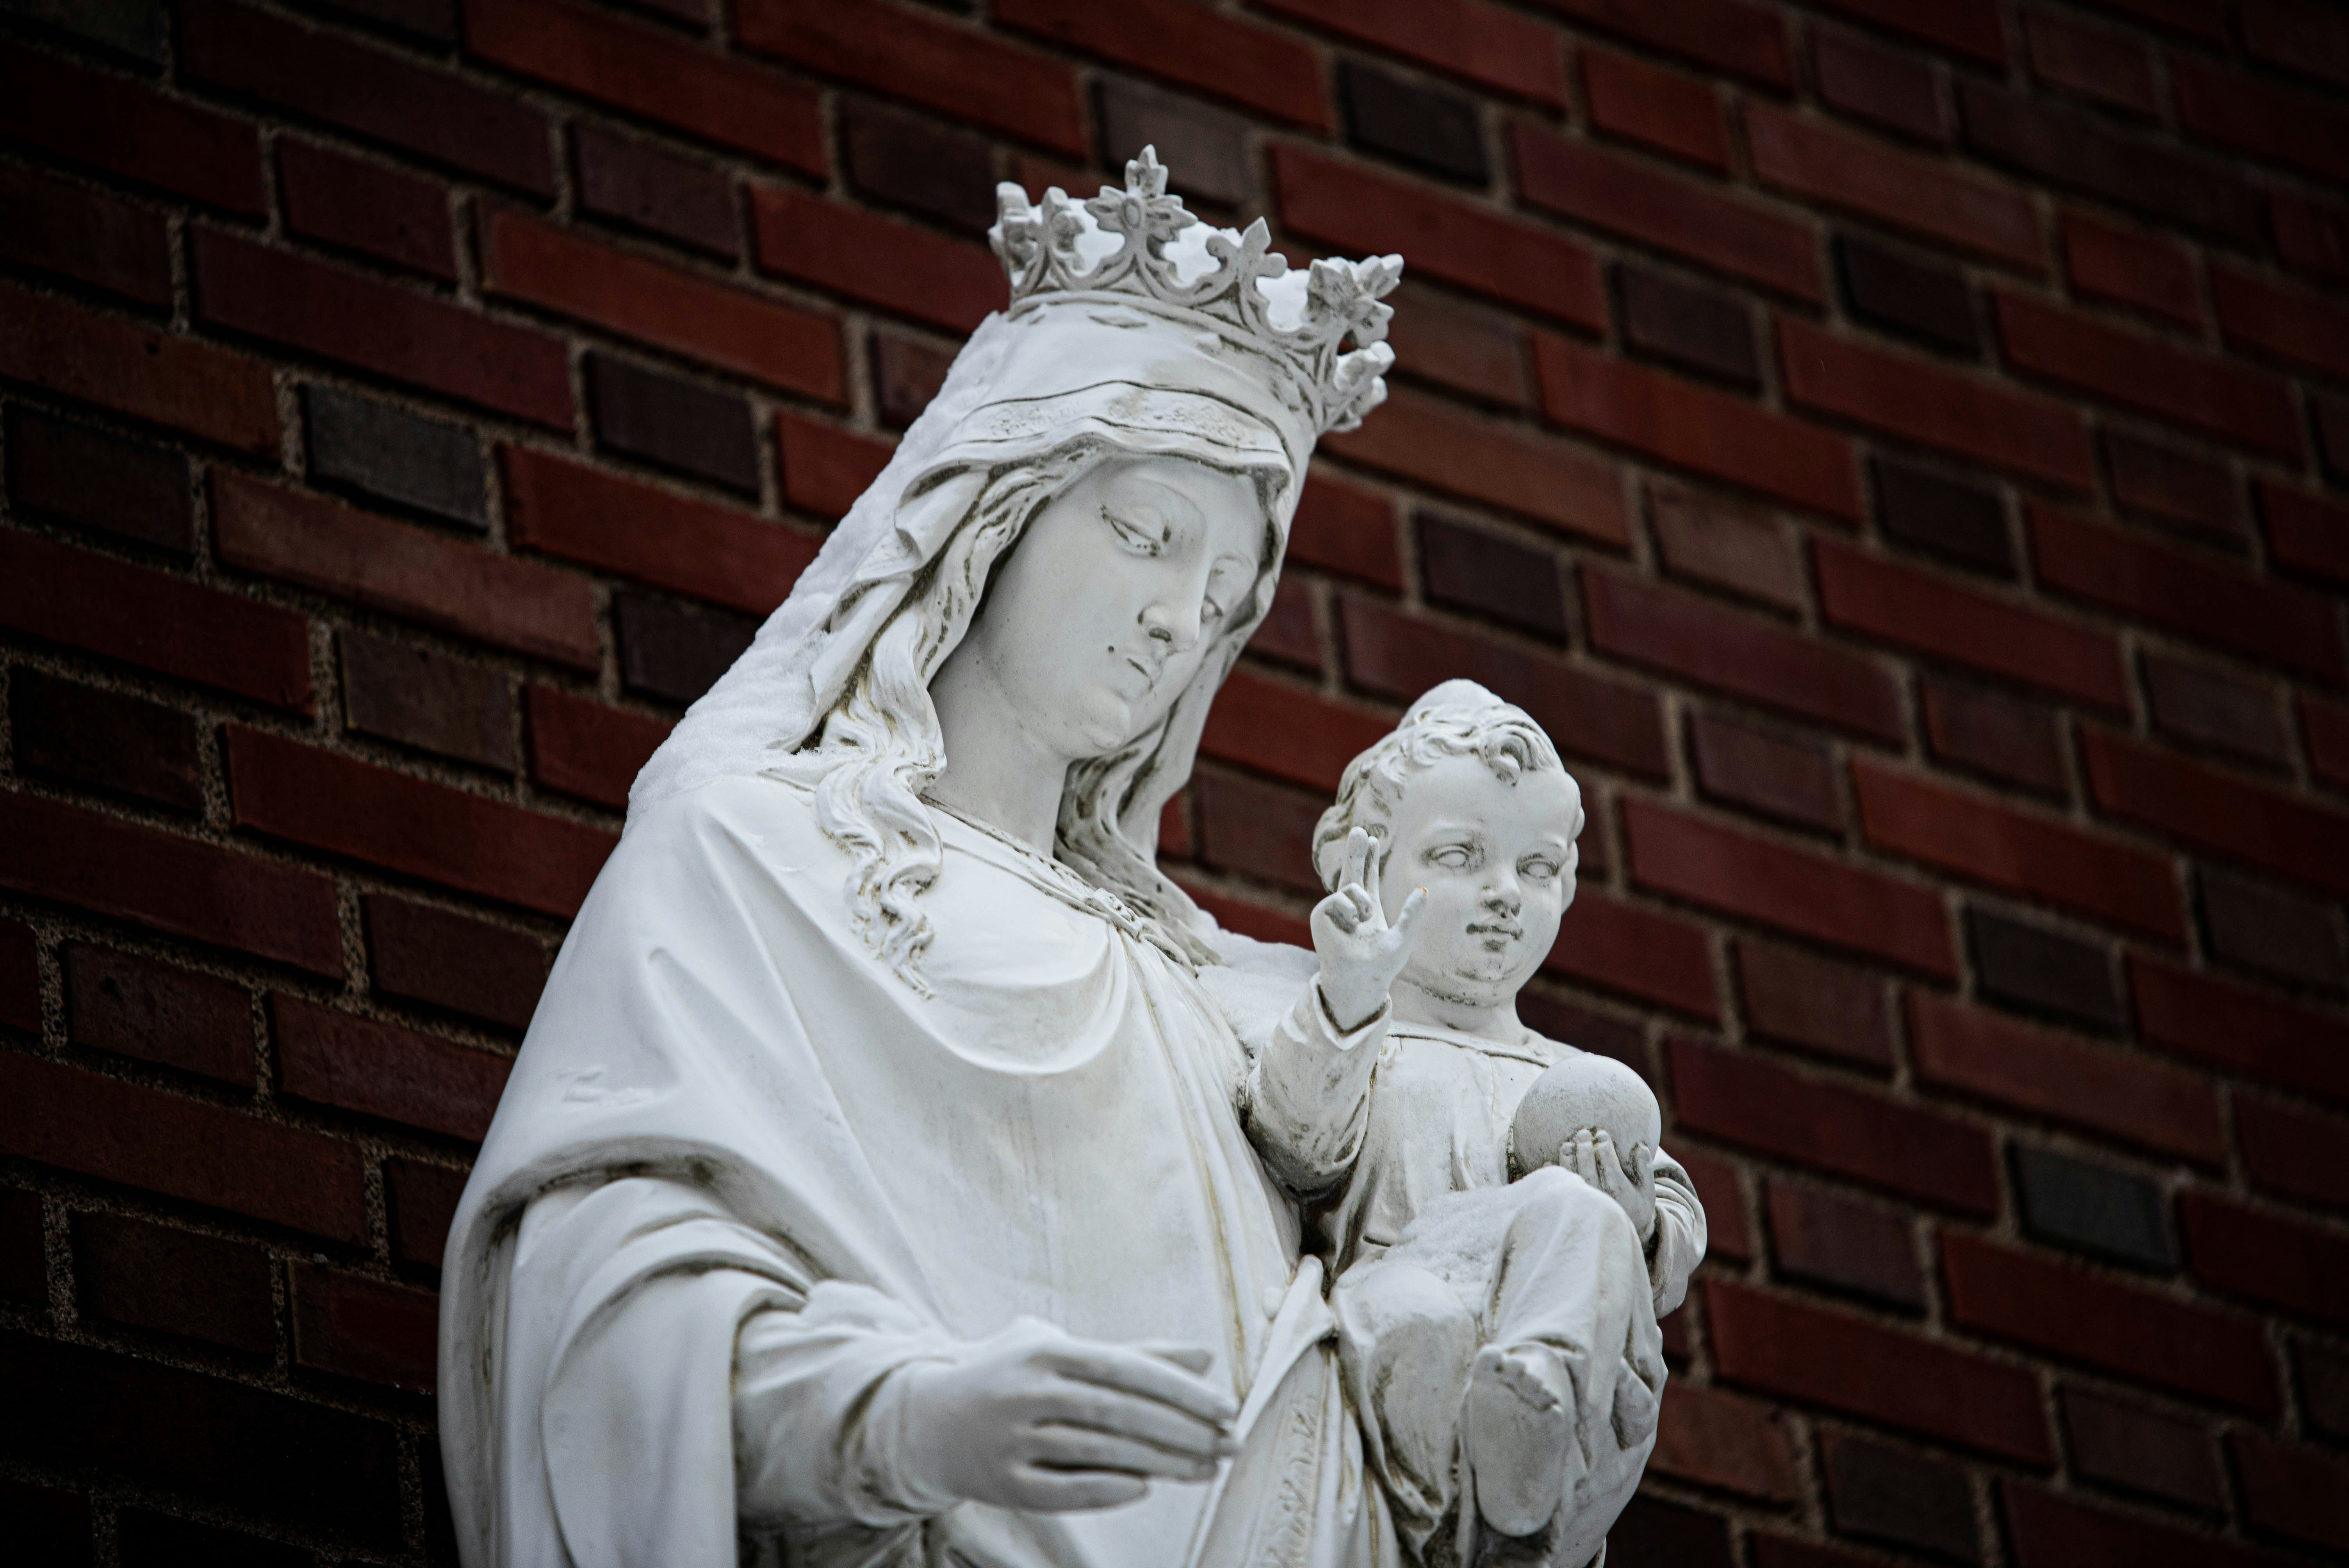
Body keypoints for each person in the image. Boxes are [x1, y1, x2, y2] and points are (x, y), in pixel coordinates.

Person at [436, 151, 1418, 1568]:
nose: (1173, 621)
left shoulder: (1234, 1000)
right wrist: (899, 1421)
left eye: (1220, 599)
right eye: (1145, 535)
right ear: (997, 510)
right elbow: (609, 1310)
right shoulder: (761, 856)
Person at [1214, 681, 1705, 1567]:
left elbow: (1672, 1221)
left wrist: (1638, 1220)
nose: (1503, 895)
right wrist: (1347, 1002)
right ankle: (1500, 1495)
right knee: (1422, 1320)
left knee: (1577, 1216)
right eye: (1458, 856)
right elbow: (1296, 1145)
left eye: (1535, 869)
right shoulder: (1346, 1026)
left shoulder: (1574, 1078)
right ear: (1360, 865)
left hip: (1579, 1379)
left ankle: (1534, 1402)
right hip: (1396, 1306)